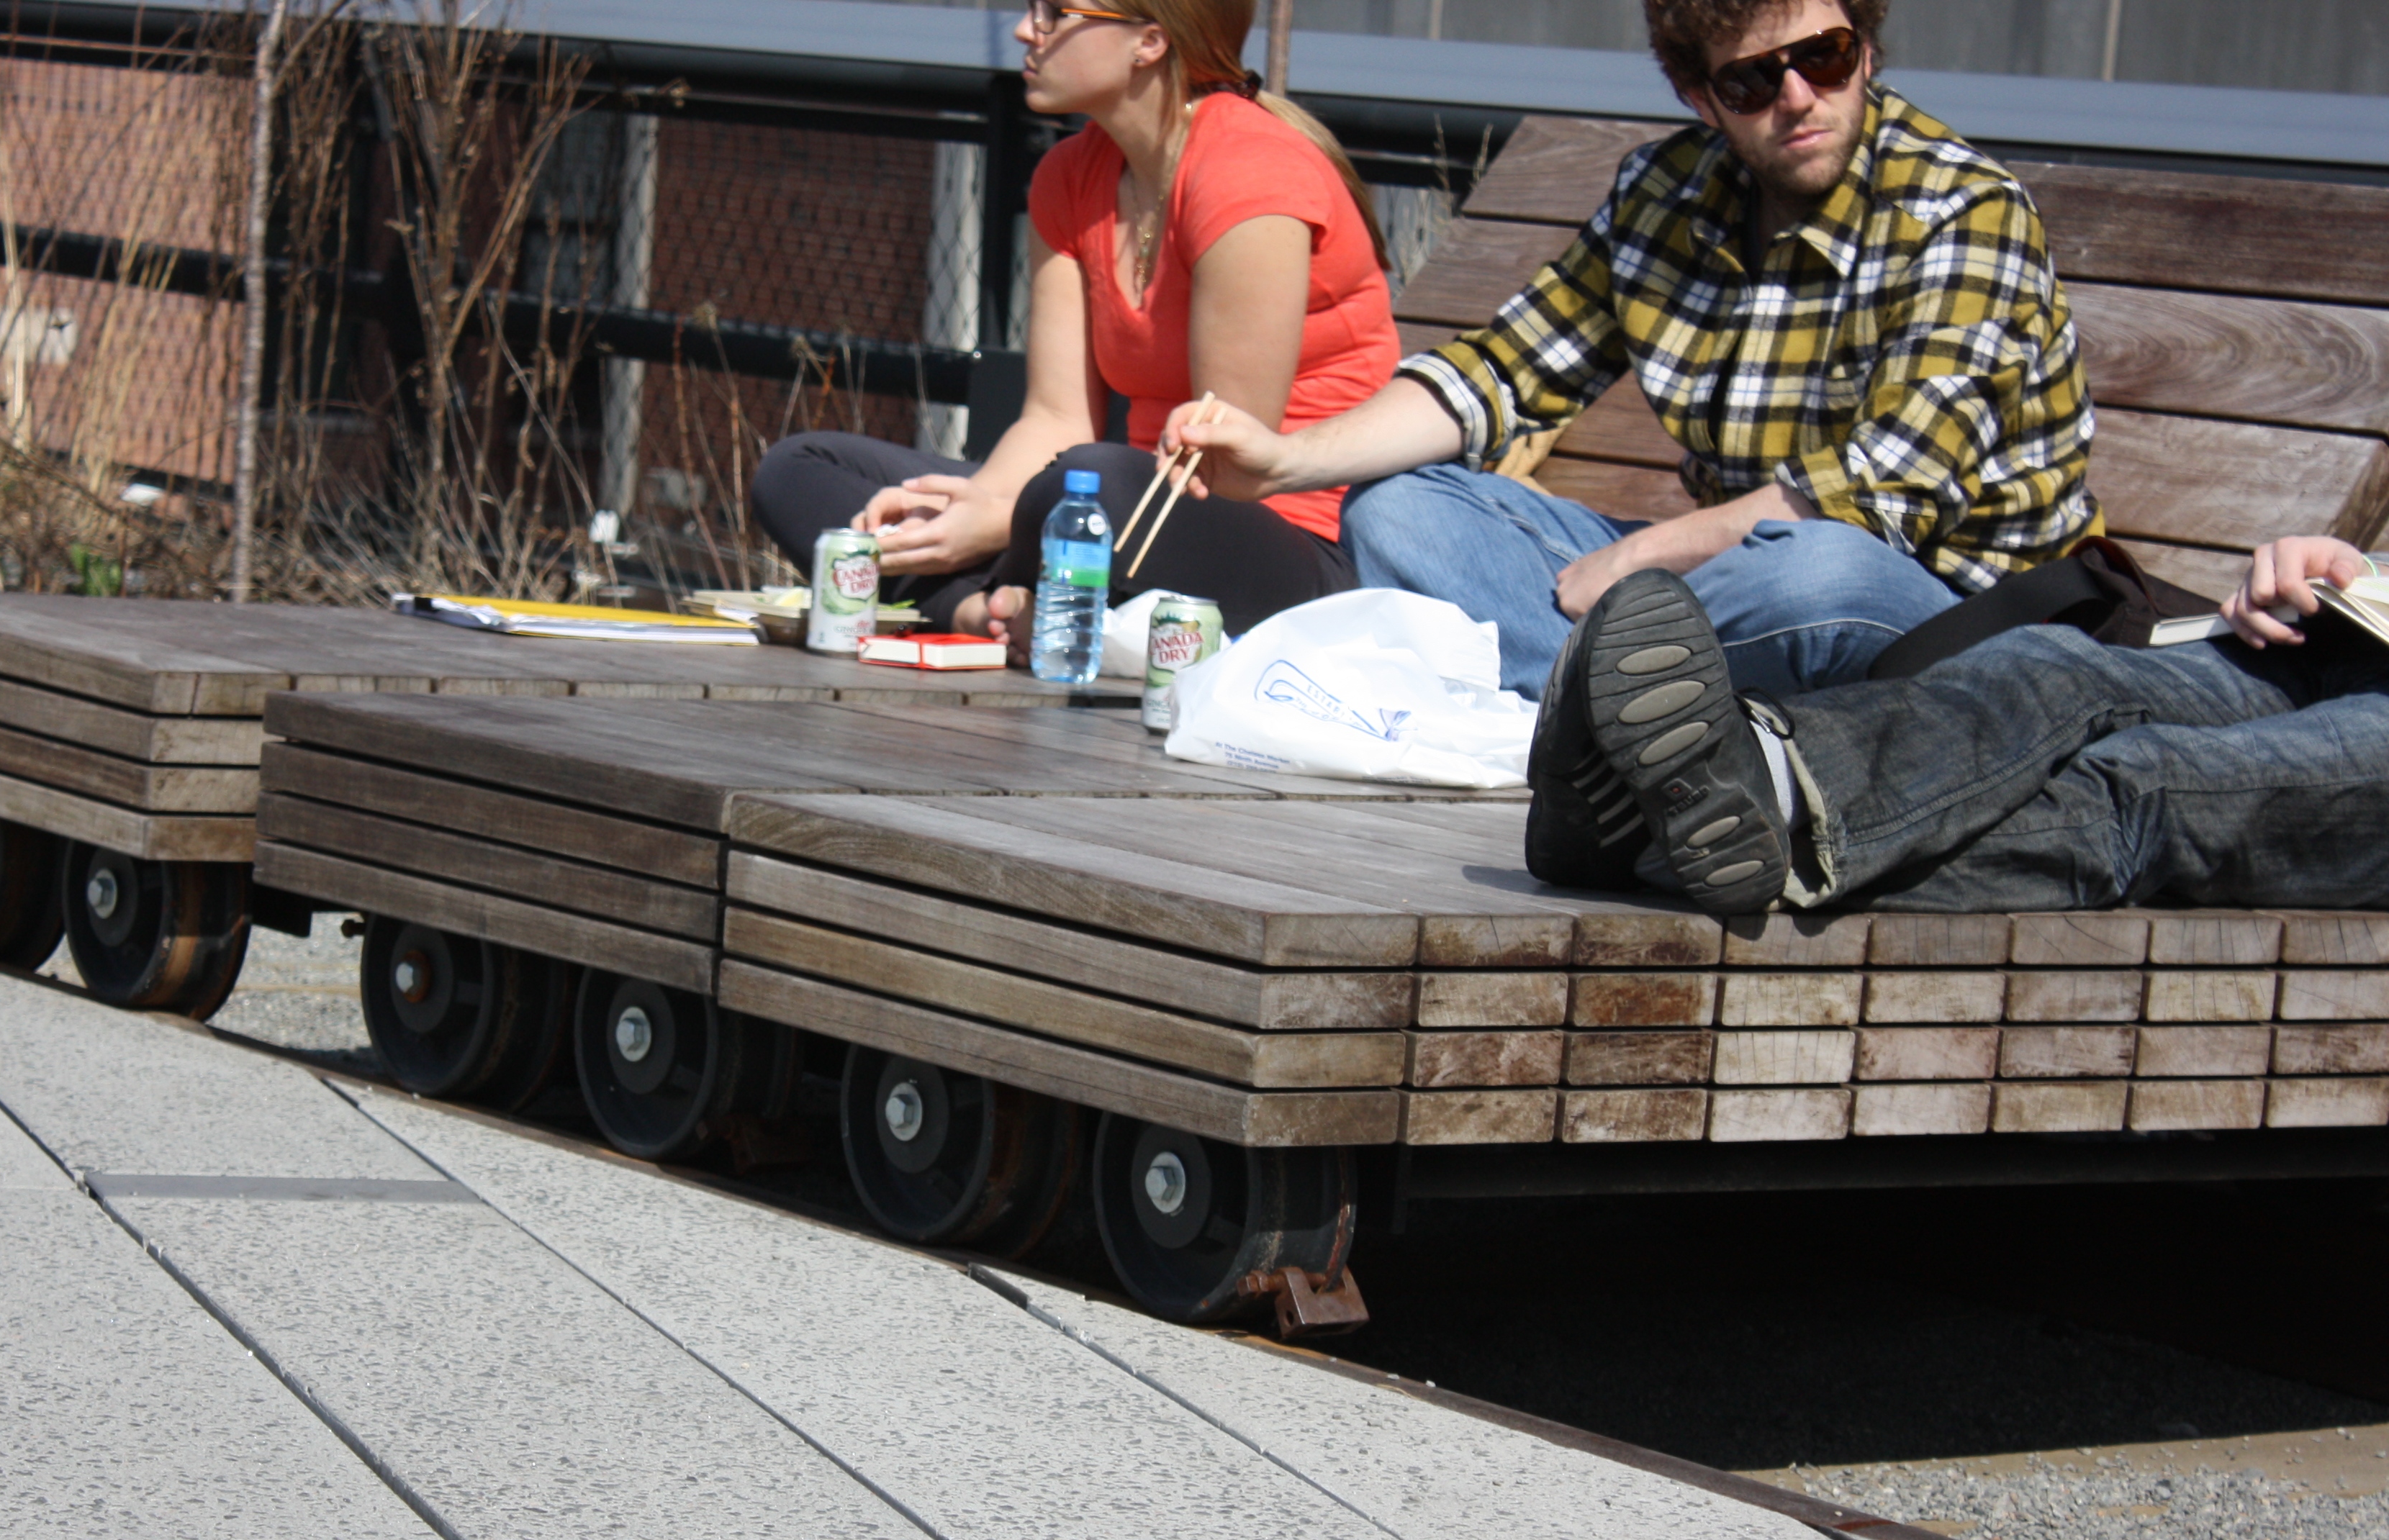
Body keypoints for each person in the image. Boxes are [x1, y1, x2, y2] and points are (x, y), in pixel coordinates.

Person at [1163, 0, 2097, 699]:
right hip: (1724, 589)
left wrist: (1646, 556)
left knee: (1818, 570)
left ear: (1866, 44)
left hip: (1947, 615)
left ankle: (1598, 709)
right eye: (1752, 81)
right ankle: (1652, 720)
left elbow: (1883, 499)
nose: (1798, 98)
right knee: (1397, 511)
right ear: (1700, 97)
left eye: (1825, 56)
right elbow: (1503, 370)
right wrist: (1287, 460)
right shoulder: (1668, 192)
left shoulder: (1960, 211)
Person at [746, 0, 1396, 641]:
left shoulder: (1250, 172)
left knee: (1090, 485)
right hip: (1114, 515)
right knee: (800, 468)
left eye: (1057, 12)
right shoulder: (1069, 174)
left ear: (1150, 41)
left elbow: (1220, 463)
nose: (1025, 30)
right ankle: (984, 612)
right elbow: (1055, 416)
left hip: (1283, 542)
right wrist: (978, 507)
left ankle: (994, 599)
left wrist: (1000, 522)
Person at [1537, 540, 2389, 915]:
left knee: (2151, 786)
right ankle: (1753, 778)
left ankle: (1652, 832)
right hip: (2346, 638)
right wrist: (2335, 563)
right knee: (2053, 667)